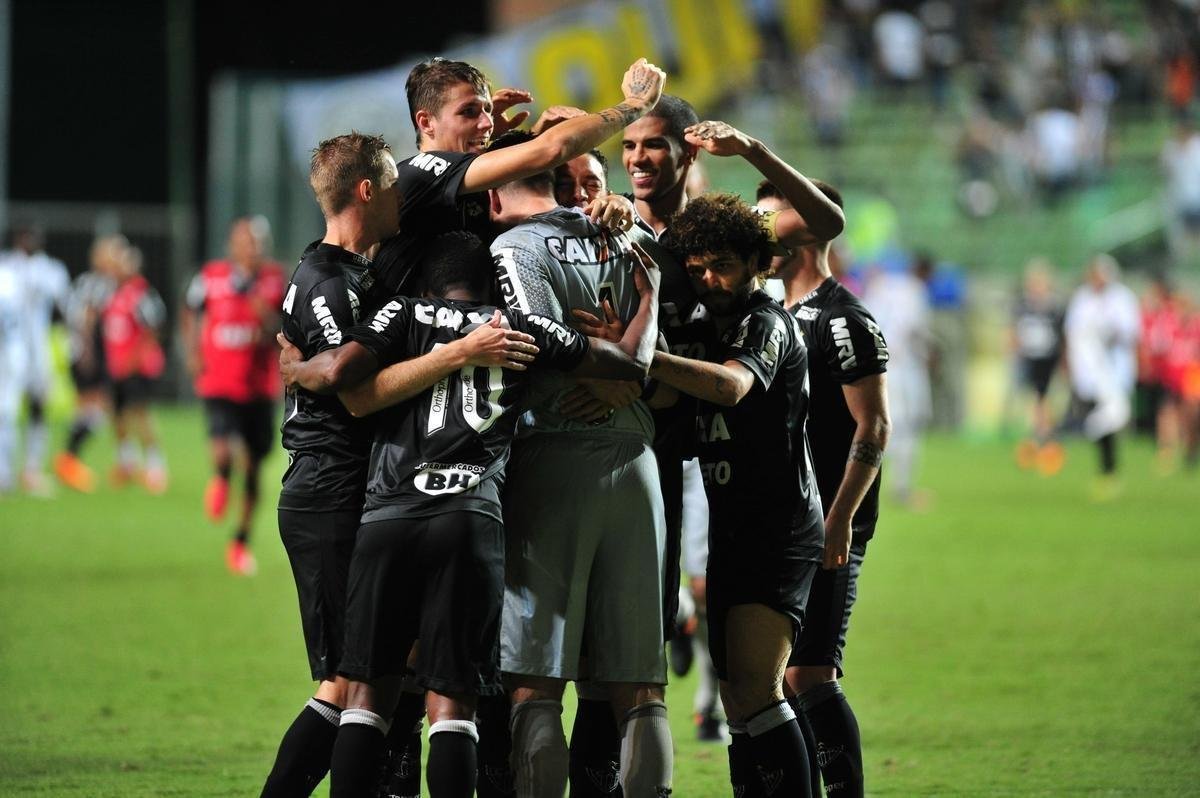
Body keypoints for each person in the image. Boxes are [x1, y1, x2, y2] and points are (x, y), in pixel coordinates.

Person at [277, 230, 660, 798]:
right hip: (472, 519)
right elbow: (627, 363)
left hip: (390, 517)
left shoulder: (401, 311)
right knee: (454, 708)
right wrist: (649, 298)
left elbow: (344, 373)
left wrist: (295, 368)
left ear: (429, 279)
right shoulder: (519, 328)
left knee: (364, 699)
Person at [617, 192, 838, 797]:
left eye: (724, 265)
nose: (710, 278)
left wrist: (642, 356)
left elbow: (733, 387)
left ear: (755, 264)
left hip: (780, 530)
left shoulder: (764, 321)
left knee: (756, 691)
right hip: (732, 529)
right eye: (698, 268)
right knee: (740, 702)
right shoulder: (702, 326)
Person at [760, 178, 890, 798]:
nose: (763, 234)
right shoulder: (773, 315)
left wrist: (839, 522)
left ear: (805, 228)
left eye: (771, 221)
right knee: (783, 677)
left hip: (829, 527)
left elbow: (874, 425)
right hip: (781, 522)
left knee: (810, 671)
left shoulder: (845, 318)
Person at [369, 56, 664, 301]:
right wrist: (636, 105)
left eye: (486, 109)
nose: (486, 122)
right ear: (426, 122)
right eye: (468, 112)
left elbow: (535, 193)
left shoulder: (466, 181)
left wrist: (614, 201)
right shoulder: (420, 171)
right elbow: (553, 149)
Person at [182, 217, 287, 576]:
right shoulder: (210, 276)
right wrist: (193, 351)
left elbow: (284, 328)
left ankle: (240, 541)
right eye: (245, 242)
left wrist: (264, 313)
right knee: (223, 449)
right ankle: (222, 476)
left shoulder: (275, 281)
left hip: (258, 387)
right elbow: (191, 311)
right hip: (218, 381)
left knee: (255, 468)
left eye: (257, 243)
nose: (251, 248)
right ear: (233, 245)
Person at [1063, 254, 1140, 499]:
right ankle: (1106, 472)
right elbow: (1072, 334)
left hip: (1115, 372)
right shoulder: (1082, 299)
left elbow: (1129, 332)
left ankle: (1107, 470)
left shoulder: (1122, 298)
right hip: (1090, 374)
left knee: (1113, 418)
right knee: (1103, 422)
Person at [3, 223, 70, 495]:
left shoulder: (50, 269)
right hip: (10, 347)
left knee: (38, 406)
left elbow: (62, 307)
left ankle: (31, 468)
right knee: (6, 408)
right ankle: (4, 470)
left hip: (38, 348)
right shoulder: (6, 268)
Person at [54, 235, 122, 493]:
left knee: (87, 408)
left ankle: (70, 461)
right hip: (87, 352)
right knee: (96, 408)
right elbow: (88, 319)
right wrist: (88, 353)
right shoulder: (99, 283)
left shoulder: (85, 281)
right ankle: (68, 458)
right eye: (113, 254)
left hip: (80, 350)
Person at [101, 244, 168, 493]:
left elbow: (153, 328)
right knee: (116, 415)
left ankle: (155, 467)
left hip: (136, 367)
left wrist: (135, 358)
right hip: (117, 366)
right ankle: (126, 464)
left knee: (140, 415)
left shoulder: (141, 293)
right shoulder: (113, 292)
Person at [1011, 257, 1066, 475]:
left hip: (1047, 359)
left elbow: (1062, 335)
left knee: (1042, 399)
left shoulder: (1054, 307)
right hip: (1030, 358)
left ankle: (1043, 438)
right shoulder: (1023, 306)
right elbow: (1015, 331)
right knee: (1036, 399)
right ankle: (1040, 437)